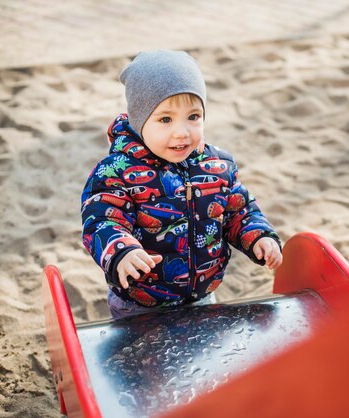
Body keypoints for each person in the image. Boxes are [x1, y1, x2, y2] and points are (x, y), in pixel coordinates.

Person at [81, 50, 282, 319]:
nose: (182, 132)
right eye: (165, 119)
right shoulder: (117, 171)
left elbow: (240, 212)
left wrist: (260, 236)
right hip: (141, 303)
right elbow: (102, 221)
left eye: (193, 117)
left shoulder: (217, 166)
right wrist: (121, 251)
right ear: (139, 121)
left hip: (202, 296)